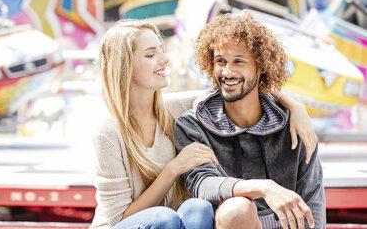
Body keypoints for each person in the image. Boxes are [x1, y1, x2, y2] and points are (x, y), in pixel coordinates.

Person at [90, 19, 319, 229]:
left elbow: (239, 87)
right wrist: (174, 168)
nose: (165, 59)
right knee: (165, 218)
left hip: (171, 221)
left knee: (198, 208)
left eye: (161, 50)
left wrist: (293, 105)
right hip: (125, 225)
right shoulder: (108, 132)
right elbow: (117, 218)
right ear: (124, 65)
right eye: (151, 54)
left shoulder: (174, 109)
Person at [174, 11, 326, 229]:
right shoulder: (193, 125)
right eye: (220, 61)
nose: (227, 71)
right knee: (237, 209)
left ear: (261, 66)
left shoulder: (293, 123)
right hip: (235, 222)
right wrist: (264, 187)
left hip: (290, 224)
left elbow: (312, 200)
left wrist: (293, 105)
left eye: (238, 61)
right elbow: (202, 184)